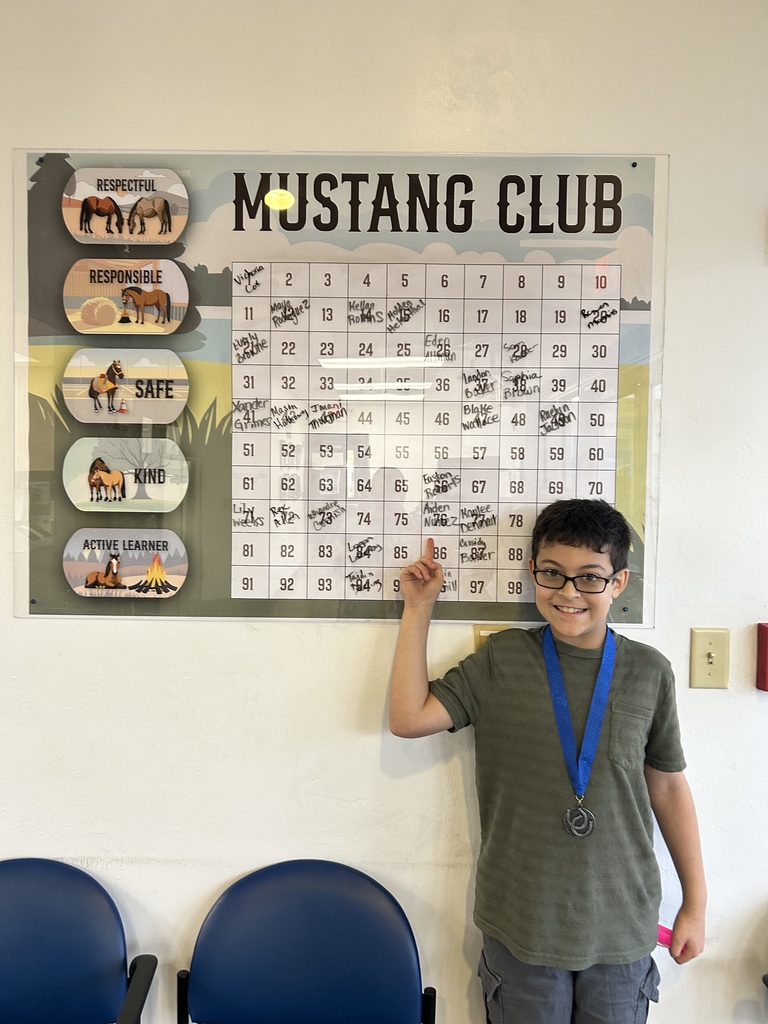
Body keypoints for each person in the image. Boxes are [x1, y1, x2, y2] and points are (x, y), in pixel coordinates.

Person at [389, 498, 706, 1024]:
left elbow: (669, 788)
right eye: (553, 574)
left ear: (619, 583)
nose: (568, 593)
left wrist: (694, 901)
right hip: (523, 924)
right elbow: (408, 716)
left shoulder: (649, 672)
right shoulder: (503, 660)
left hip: (621, 927)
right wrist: (419, 608)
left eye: (590, 578)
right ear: (533, 572)